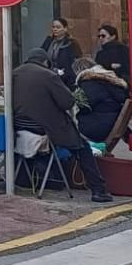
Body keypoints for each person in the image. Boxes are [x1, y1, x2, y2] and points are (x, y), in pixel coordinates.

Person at [14, 48, 114, 203]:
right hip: (47, 129)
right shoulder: (48, 75)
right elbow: (67, 102)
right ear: (45, 62)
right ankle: (98, 190)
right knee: (83, 148)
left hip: (20, 127)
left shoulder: (14, 73)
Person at [74, 57, 132, 151]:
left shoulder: (88, 82)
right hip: (111, 122)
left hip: (98, 128)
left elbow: (86, 105)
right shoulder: (111, 80)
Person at [39, 18, 81, 87]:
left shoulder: (71, 43)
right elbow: (41, 54)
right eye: (53, 27)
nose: (55, 29)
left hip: (65, 78)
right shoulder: (48, 41)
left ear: (65, 29)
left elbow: (75, 61)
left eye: (58, 27)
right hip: (48, 75)